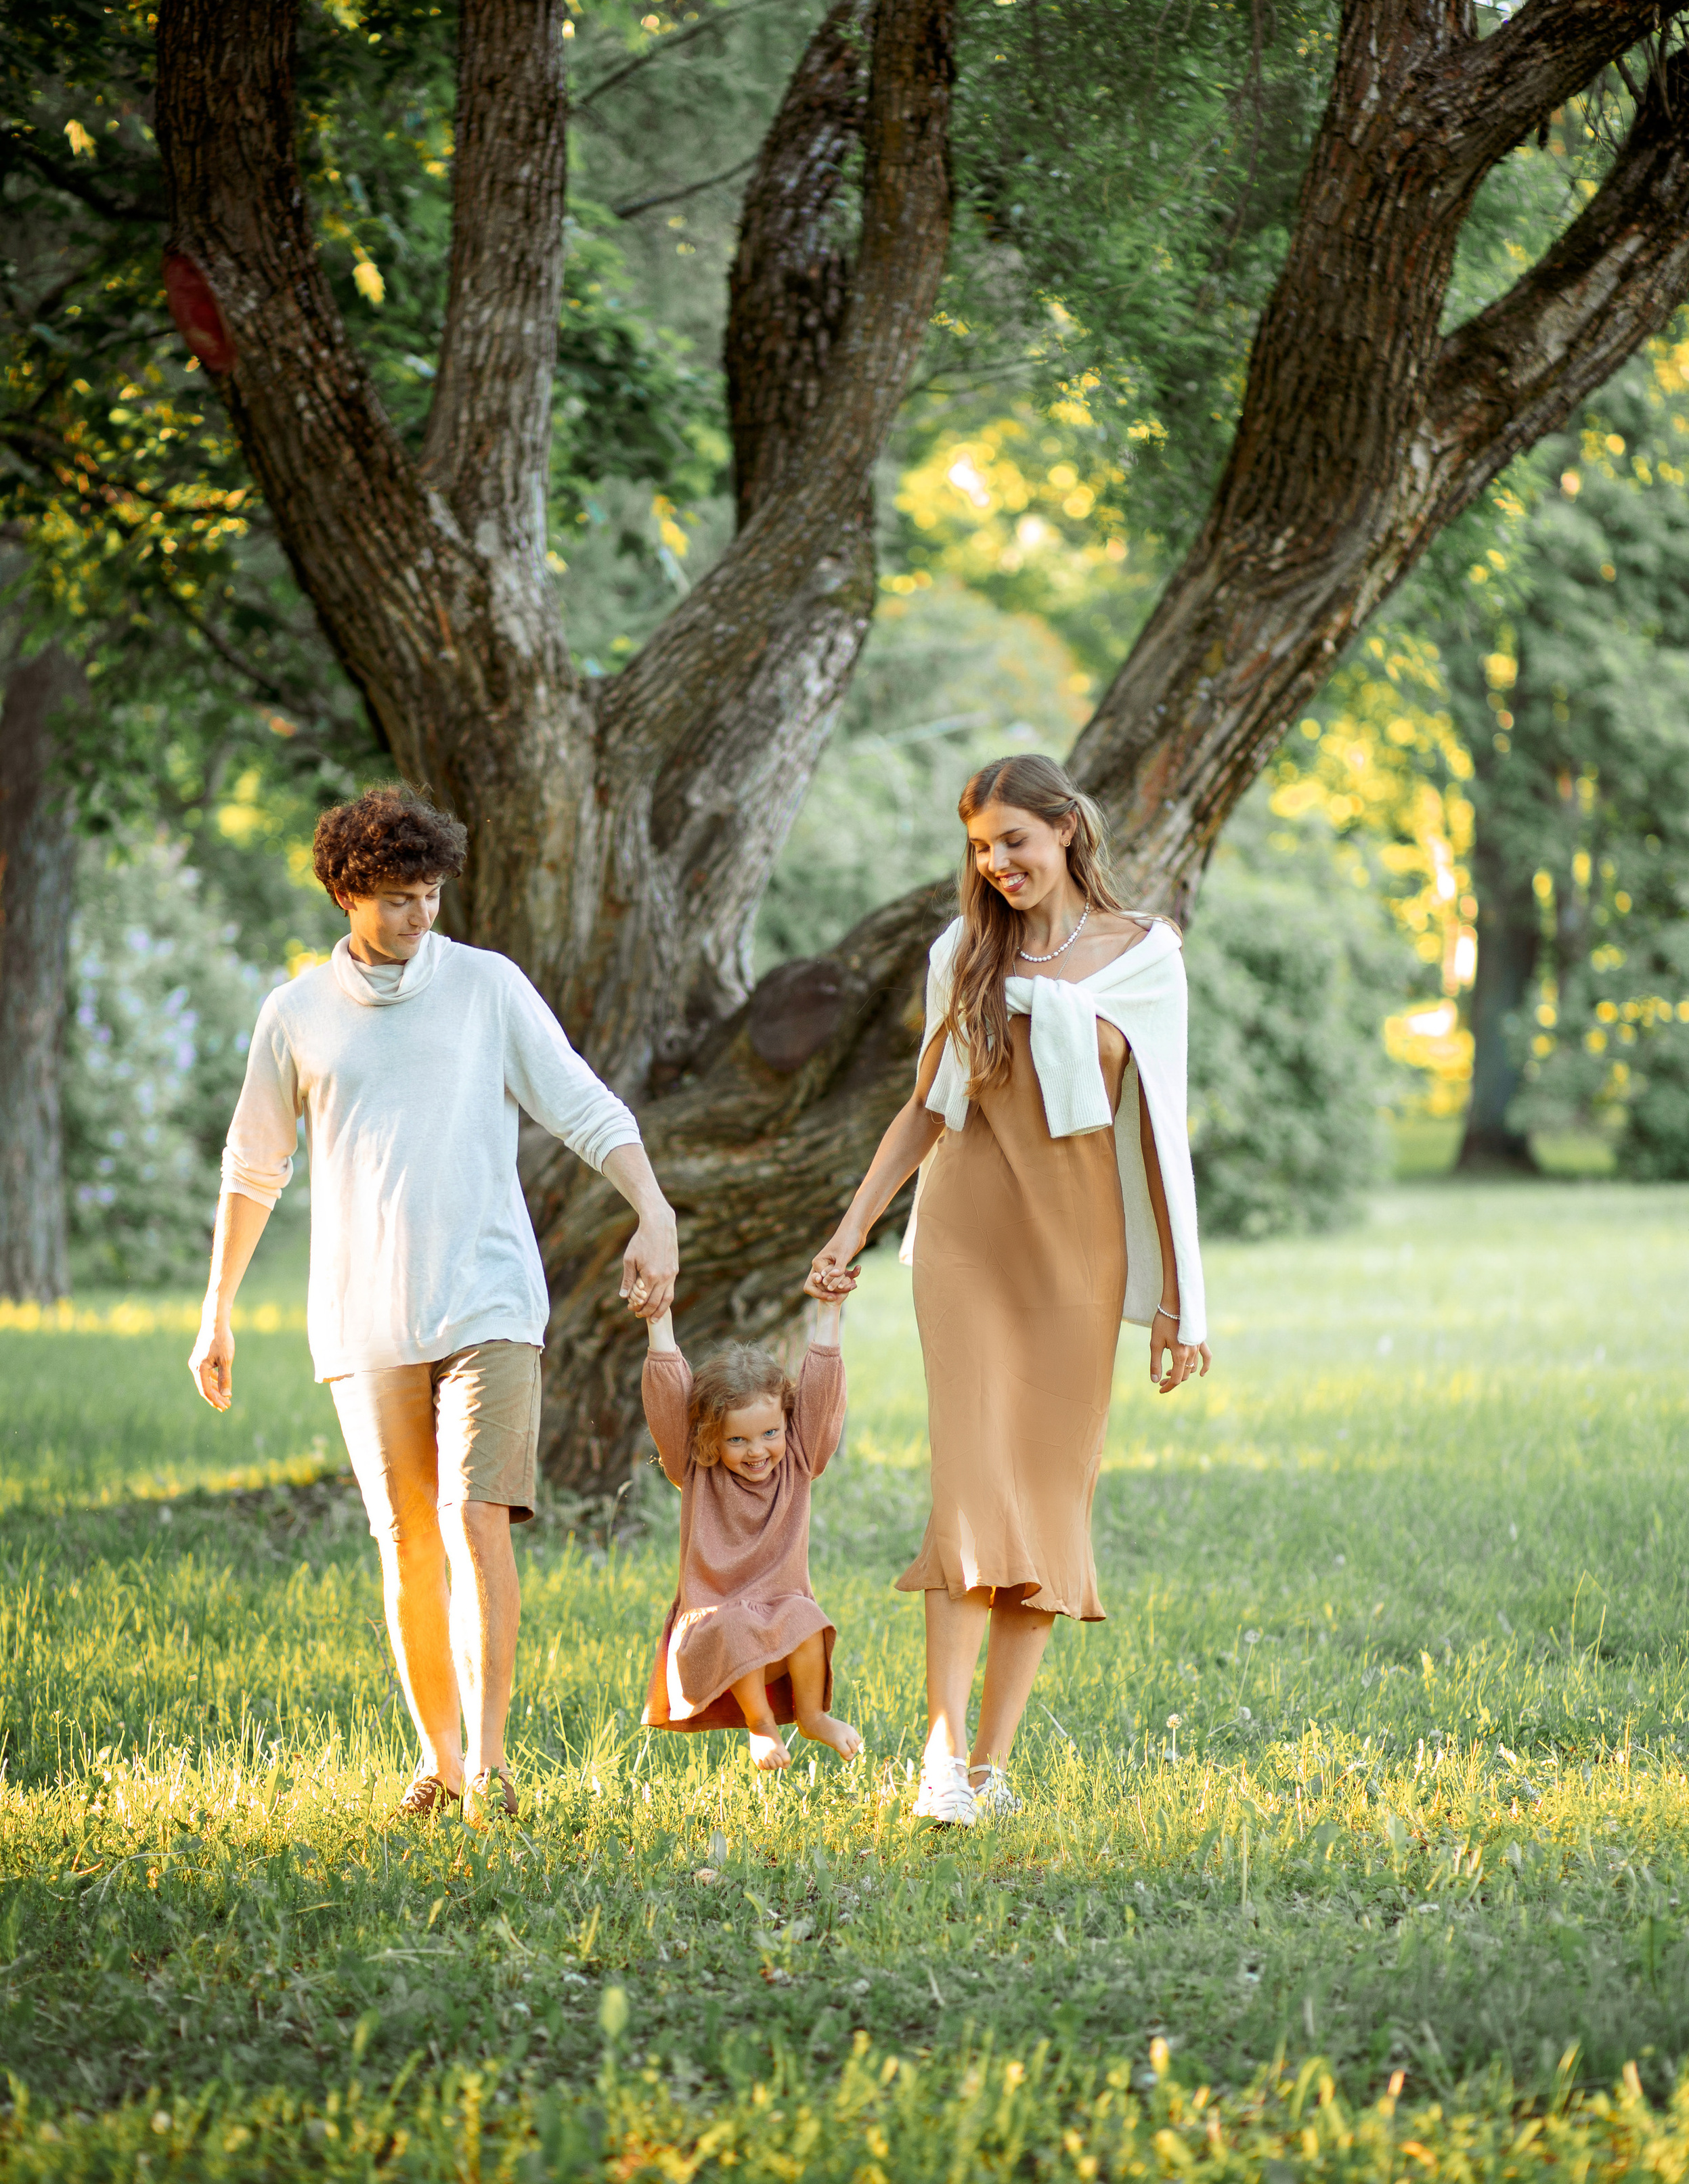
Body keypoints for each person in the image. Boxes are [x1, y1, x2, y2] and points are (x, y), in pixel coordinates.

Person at [187, 784, 678, 1827]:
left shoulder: (487, 987)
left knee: (474, 1519)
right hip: (363, 1315)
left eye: (434, 895)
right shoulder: (297, 1016)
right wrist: (216, 1309)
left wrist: (654, 1209)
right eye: (402, 899)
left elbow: (584, 1102)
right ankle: (438, 1759)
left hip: (489, 1298)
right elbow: (253, 1168)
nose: (423, 917)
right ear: (346, 894)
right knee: (407, 1542)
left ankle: (492, 1766)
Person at [807, 753, 1210, 1827]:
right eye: (981, 850)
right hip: (967, 1241)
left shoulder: (1146, 960)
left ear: (1068, 829)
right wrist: (850, 1229)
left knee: (1045, 1506)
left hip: (1080, 1255)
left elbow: (1163, 1137)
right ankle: (939, 1761)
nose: (997, 866)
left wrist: (1183, 1303)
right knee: (972, 1495)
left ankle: (991, 1763)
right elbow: (927, 1109)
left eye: (1014, 842)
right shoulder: (963, 954)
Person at [636, 1279, 862, 1775]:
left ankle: (812, 1716)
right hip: (715, 1631)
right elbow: (669, 1397)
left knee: (806, 1616)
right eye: (737, 1439)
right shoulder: (695, 1467)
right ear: (710, 1439)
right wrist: (658, 1320)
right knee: (738, 1621)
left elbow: (822, 1397)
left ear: (788, 1423)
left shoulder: (799, 1460)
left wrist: (829, 1312)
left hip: (780, 1623)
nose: (757, 1450)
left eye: (770, 1433)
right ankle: (761, 1724)